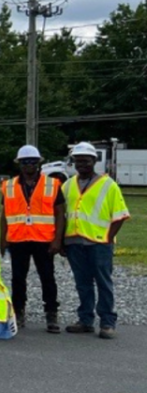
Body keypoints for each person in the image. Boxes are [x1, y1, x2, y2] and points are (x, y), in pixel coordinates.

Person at [56, 142, 131, 339]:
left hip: (99, 243)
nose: (82, 165)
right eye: (78, 161)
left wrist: (108, 238)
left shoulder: (108, 185)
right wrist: (61, 241)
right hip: (74, 242)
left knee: (103, 282)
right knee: (82, 283)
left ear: (94, 161)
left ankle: (107, 322)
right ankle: (85, 320)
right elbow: (62, 215)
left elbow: (121, 215)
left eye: (86, 161)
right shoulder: (67, 185)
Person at [0, 145, 63, 333]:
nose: (29, 165)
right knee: (18, 278)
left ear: (39, 164)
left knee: (47, 277)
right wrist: (3, 239)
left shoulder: (52, 184)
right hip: (18, 239)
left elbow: (60, 213)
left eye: (32, 162)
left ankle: (51, 313)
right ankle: (19, 312)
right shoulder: (9, 185)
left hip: (43, 239)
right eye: (25, 162)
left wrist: (57, 239)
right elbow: (4, 214)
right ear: (19, 164)